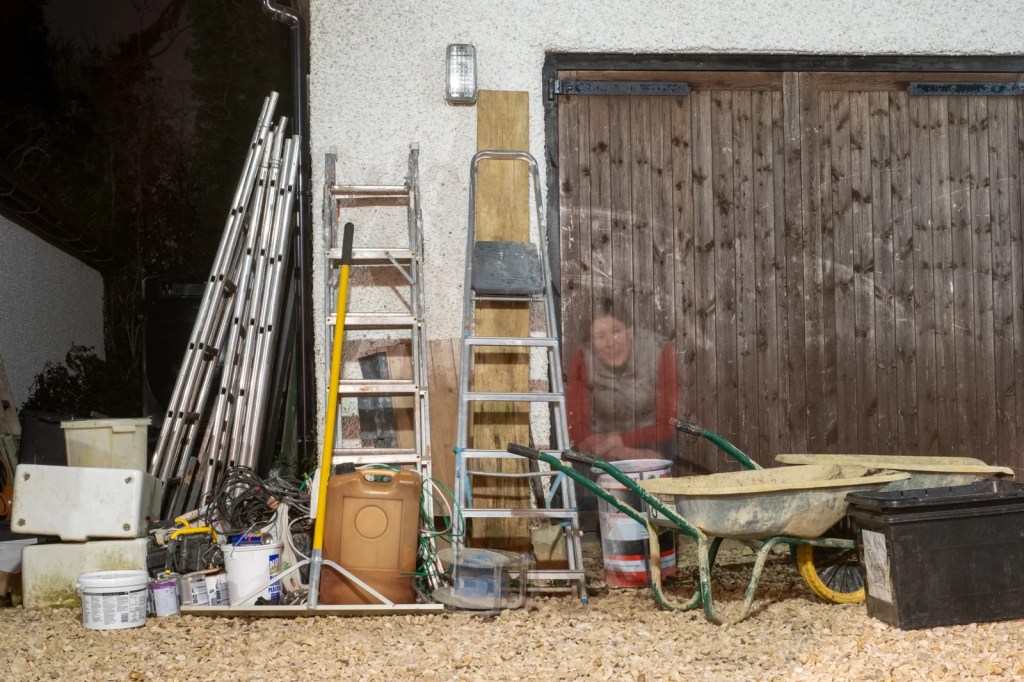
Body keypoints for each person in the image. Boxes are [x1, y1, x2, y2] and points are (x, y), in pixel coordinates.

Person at [566, 313, 678, 461]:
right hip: (600, 453)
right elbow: (575, 425)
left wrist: (622, 441)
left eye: (616, 331)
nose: (610, 342)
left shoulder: (659, 353)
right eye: (600, 336)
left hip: (654, 448)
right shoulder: (583, 358)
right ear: (590, 342)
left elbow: (669, 423)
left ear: (629, 333)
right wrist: (619, 452)